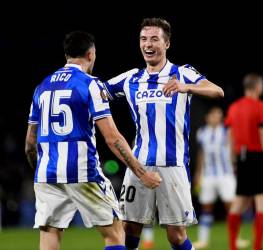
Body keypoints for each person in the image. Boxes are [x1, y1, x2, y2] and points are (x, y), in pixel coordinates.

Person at [25, 31, 161, 250]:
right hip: (81, 171)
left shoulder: (42, 87)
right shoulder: (89, 84)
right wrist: (142, 173)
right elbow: (112, 137)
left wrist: (39, 170)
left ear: (66, 55)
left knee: (49, 234)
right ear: (91, 54)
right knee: (115, 233)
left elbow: (30, 143)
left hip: (46, 174)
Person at [103, 18, 224, 250]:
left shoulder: (182, 73)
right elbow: (97, 92)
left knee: (176, 236)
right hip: (138, 165)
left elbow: (216, 91)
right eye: (144, 39)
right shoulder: (131, 78)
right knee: (128, 229)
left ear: (166, 44)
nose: (148, 44)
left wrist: (187, 87)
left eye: (154, 39)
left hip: (173, 165)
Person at [225, 73, 263, 250]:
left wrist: (234, 162)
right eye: (261, 85)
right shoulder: (261, 106)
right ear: (257, 86)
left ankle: (233, 246)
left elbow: (230, 138)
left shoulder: (233, 108)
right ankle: (258, 246)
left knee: (239, 203)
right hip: (258, 158)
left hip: (241, 159)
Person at [192, 107, 249, 249]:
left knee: (232, 208)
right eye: (214, 115)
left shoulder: (226, 131)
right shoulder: (202, 133)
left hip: (226, 174)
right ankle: (203, 240)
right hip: (208, 176)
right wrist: (198, 174)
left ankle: (236, 239)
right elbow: (201, 154)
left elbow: (234, 150)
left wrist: (237, 167)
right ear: (208, 117)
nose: (217, 117)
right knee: (206, 208)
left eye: (219, 115)